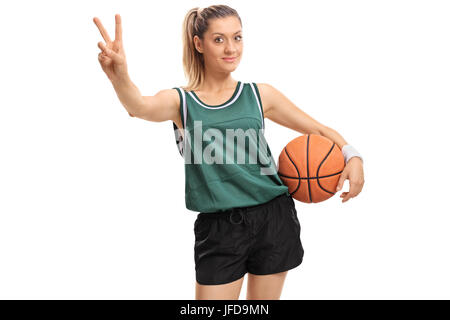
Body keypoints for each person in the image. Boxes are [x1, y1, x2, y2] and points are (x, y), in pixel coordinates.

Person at [93, 5, 365, 300]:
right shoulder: (180, 102)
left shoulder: (259, 95)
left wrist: (354, 156)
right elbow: (139, 107)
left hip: (273, 216)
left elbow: (318, 129)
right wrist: (119, 75)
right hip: (219, 227)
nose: (231, 48)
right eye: (219, 39)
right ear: (199, 44)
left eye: (237, 38)